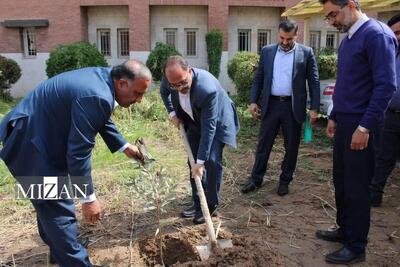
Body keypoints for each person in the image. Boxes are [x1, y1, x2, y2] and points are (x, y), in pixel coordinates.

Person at [0, 60, 152, 267]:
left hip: (36, 138)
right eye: (137, 93)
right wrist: (88, 199)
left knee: (48, 205)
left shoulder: (102, 82)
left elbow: (99, 118)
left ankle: (61, 251)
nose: (140, 100)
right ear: (123, 83)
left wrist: (124, 146)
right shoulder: (97, 94)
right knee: (57, 208)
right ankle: (74, 260)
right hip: (31, 145)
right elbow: (78, 153)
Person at [316, 0, 397, 264]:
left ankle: (356, 246)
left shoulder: (376, 35)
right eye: (328, 17)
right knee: (341, 180)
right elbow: (345, 82)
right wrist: (334, 115)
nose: (332, 21)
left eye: (333, 14)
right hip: (345, 122)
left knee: (357, 187)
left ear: (350, 4)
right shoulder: (349, 39)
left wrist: (365, 127)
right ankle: (345, 230)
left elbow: (386, 87)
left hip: (363, 124)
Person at [241, 19, 320, 196]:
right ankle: (255, 179)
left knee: (291, 147)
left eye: (289, 39)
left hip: (293, 107)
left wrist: (314, 107)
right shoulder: (267, 51)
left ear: (296, 35)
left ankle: (285, 180)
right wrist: (253, 101)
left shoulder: (306, 53)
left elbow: (314, 82)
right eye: (282, 38)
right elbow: (259, 78)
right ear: (279, 34)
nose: (284, 42)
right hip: (271, 105)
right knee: (263, 145)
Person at [160, 55, 239, 225]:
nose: (179, 88)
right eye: (174, 85)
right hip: (193, 119)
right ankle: (198, 204)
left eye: (182, 82)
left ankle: (210, 207)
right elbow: (164, 92)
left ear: (189, 71)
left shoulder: (206, 89)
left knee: (210, 161)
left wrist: (201, 161)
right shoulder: (171, 79)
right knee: (192, 164)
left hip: (217, 123)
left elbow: (209, 128)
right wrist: (172, 113)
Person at [370, 14, 400, 207]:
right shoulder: (389, 53)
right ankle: (375, 194)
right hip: (390, 115)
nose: (398, 37)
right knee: (384, 156)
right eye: (395, 33)